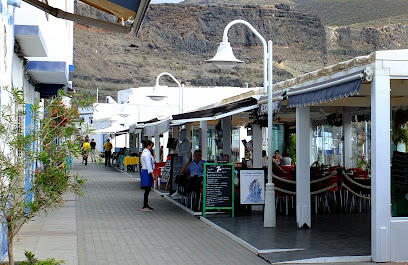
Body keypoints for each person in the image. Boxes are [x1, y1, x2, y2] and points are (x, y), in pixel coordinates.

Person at [140, 140, 156, 212]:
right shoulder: (147, 154)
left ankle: (145, 204)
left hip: (146, 171)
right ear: (148, 146)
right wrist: (152, 174)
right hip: (147, 172)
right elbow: (149, 164)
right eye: (151, 146)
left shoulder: (145, 153)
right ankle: (145, 205)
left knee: (148, 189)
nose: (152, 148)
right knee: (147, 189)